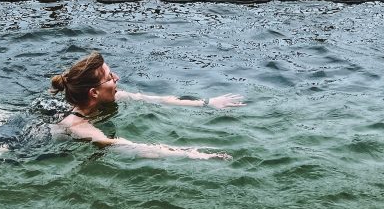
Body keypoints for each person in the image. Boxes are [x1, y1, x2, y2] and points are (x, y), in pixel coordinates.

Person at [49, 51, 244, 160]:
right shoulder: (77, 127)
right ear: (94, 93)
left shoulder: (114, 97)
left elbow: (159, 100)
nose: (116, 78)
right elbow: (129, 147)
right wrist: (192, 155)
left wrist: (207, 103)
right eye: (110, 77)